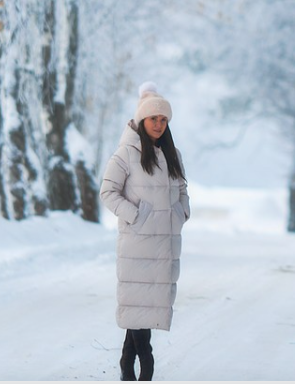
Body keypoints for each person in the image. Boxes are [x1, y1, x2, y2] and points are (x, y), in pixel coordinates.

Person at [100, 82, 190, 381]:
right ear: (141, 120)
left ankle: (127, 366)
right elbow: (108, 192)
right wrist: (136, 217)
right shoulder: (126, 153)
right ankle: (145, 368)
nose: (159, 124)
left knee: (146, 307)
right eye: (154, 118)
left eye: (164, 120)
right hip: (137, 245)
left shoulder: (172, 153)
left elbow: (182, 190)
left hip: (164, 245)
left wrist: (180, 213)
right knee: (140, 306)